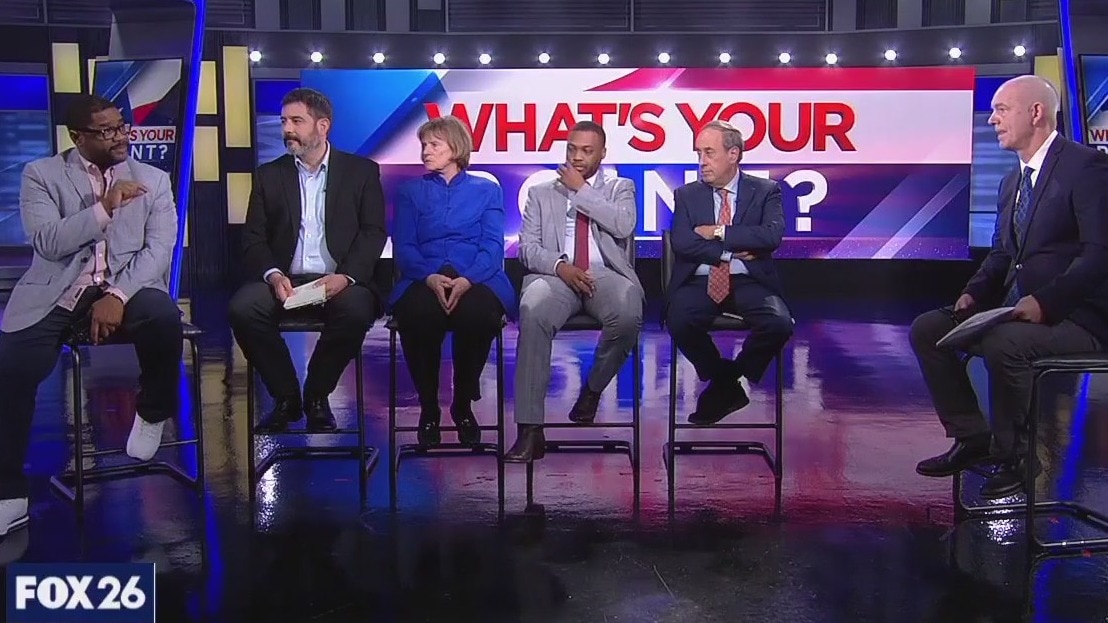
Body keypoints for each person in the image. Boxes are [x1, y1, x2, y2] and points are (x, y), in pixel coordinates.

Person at [910, 75, 1108, 499]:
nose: (992, 120)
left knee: (1005, 343)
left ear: (1036, 113)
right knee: (928, 329)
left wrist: (1046, 302)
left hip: (1079, 318)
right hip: (1015, 309)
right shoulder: (1011, 183)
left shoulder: (1086, 167)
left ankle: (1017, 456)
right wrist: (974, 293)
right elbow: (1003, 254)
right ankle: (972, 437)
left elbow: (1099, 254)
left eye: (1001, 109)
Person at [0, 94, 182, 535]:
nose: (120, 137)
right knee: (9, 373)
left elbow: (159, 250)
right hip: (57, 292)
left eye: (121, 126)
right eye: (107, 131)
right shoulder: (41, 175)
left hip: (128, 285)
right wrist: (104, 208)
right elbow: (48, 242)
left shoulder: (154, 179)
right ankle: (8, 495)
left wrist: (117, 294)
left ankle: (152, 413)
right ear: (77, 137)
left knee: (163, 316)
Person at [230, 88, 386, 433]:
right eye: (284, 121)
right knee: (243, 308)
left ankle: (317, 395)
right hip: (285, 279)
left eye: (296, 121)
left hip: (339, 279)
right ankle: (286, 397)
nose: (287, 129)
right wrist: (273, 275)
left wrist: (345, 277)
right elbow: (254, 237)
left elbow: (373, 231)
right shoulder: (269, 175)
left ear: (322, 126)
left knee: (357, 310)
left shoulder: (361, 172)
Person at [505, 121, 643, 462]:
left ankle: (592, 390)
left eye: (586, 150)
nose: (577, 157)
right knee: (533, 310)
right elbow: (528, 249)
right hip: (556, 274)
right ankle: (530, 430)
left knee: (628, 312)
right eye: (572, 149)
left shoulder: (620, 187)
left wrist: (581, 190)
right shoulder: (541, 192)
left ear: (602, 153)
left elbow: (623, 225)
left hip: (605, 274)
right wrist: (560, 267)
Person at [389, 115, 517, 447]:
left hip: (476, 275)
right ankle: (429, 408)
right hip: (424, 274)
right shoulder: (410, 192)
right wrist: (428, 276)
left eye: (434, 144)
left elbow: (492, 246)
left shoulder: (486, 190)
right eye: (423, 145)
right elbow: (404, 246)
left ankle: (462, 403)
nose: (425, 151)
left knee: (478, 314)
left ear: (456, 148)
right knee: (418, 314)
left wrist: (468, 279)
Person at [665, 120, 794, 425]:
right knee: (678, 321)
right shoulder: (686, 195)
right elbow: (682, 242)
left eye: (709, 153)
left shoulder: (765, 191)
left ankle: (729, 379)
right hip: (701, 279)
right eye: (698, 153)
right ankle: (725, 381)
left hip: (749, 279)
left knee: (779, 324)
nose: (701, 161)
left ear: (733, 154)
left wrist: (718, 232)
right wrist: (731, 250)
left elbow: (770, 236)